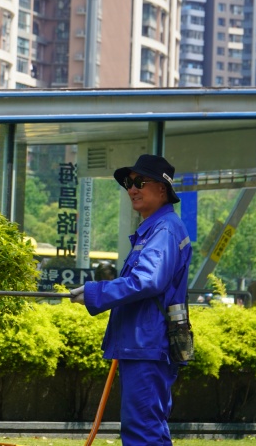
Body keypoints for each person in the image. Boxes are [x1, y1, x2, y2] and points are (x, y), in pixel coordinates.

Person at [70, 154, 191, 446]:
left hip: (147, 346)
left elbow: (147, 281)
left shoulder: (163, 230)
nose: (132, 189)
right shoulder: (155, 230)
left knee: (142, 433)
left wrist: (96, 292)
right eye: (128, 183)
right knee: (147, 430)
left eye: (140, 182)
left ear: (162, 189)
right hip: (142, 345)